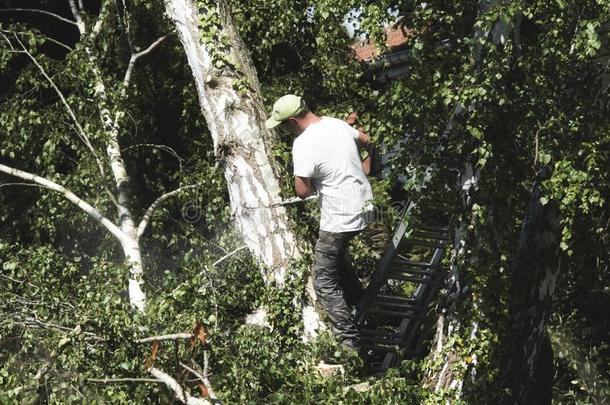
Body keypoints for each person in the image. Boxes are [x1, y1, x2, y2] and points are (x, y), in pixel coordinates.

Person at [265, 94, 374, 352]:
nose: (283, 130)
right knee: (337, 263)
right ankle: (364, 305)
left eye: (282, 126)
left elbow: (302, 191)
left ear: (292, 121)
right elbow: (368, 140)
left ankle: (350, 344)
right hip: (366, 207)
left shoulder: (302, 144)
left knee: (323, 279)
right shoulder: (335, 123)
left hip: (341, 218)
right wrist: (366, 165)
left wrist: (315, 186)